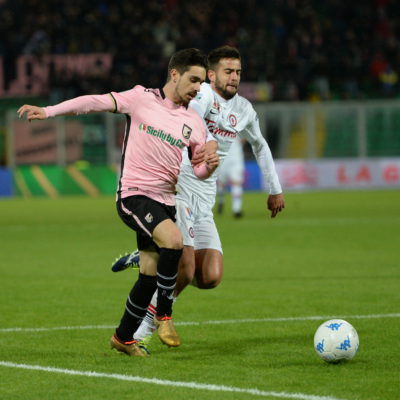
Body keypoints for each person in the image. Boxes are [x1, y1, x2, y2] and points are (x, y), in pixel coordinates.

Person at [18, 48, 219, 357]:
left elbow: (199, 170)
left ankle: (123, 338)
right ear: (174, 74)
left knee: (149, 274)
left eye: (202, 83)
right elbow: (93, 102)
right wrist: (49, 111)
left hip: (166, 200)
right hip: (134, 195)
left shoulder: (194, 120)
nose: (197, 88)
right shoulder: (141, 99)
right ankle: (164, 316)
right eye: (193, 80)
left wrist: (210, 166)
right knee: (174, 241)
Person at [112, 45, 285, 347]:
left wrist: (275, 188)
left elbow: (260, 144)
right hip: (180, 187)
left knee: (209, 277)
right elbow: (184, 120)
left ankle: (151, 256)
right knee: (185, 267)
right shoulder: (201, 95)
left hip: (205, 197)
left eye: (238, 72)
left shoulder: (244, 109)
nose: (234, 77)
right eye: (228, 71)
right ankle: (144, 328)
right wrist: (204, 143)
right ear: (211, 75)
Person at [216, 137, 246, 218]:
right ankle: (221, 201)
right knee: (221, 183)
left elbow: (246, 136)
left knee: (236, 182)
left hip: (236, 159)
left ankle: (236, 209)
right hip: (222, 158)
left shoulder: (240, 128)